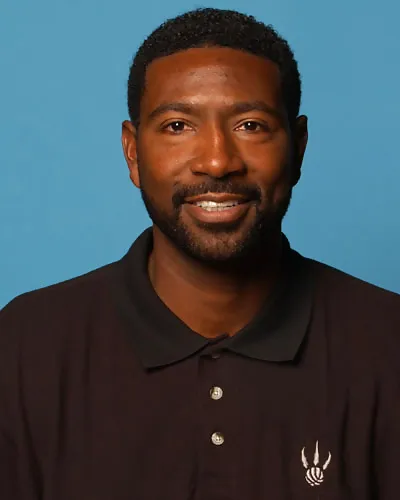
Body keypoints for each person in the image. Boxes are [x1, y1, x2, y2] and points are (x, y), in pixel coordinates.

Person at [1, 7, 399, 500]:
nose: (217, 161)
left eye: (250, 125)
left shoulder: (388, 343)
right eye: (177, 126)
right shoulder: (24, 347)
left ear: (298, 147)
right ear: (132, 153)